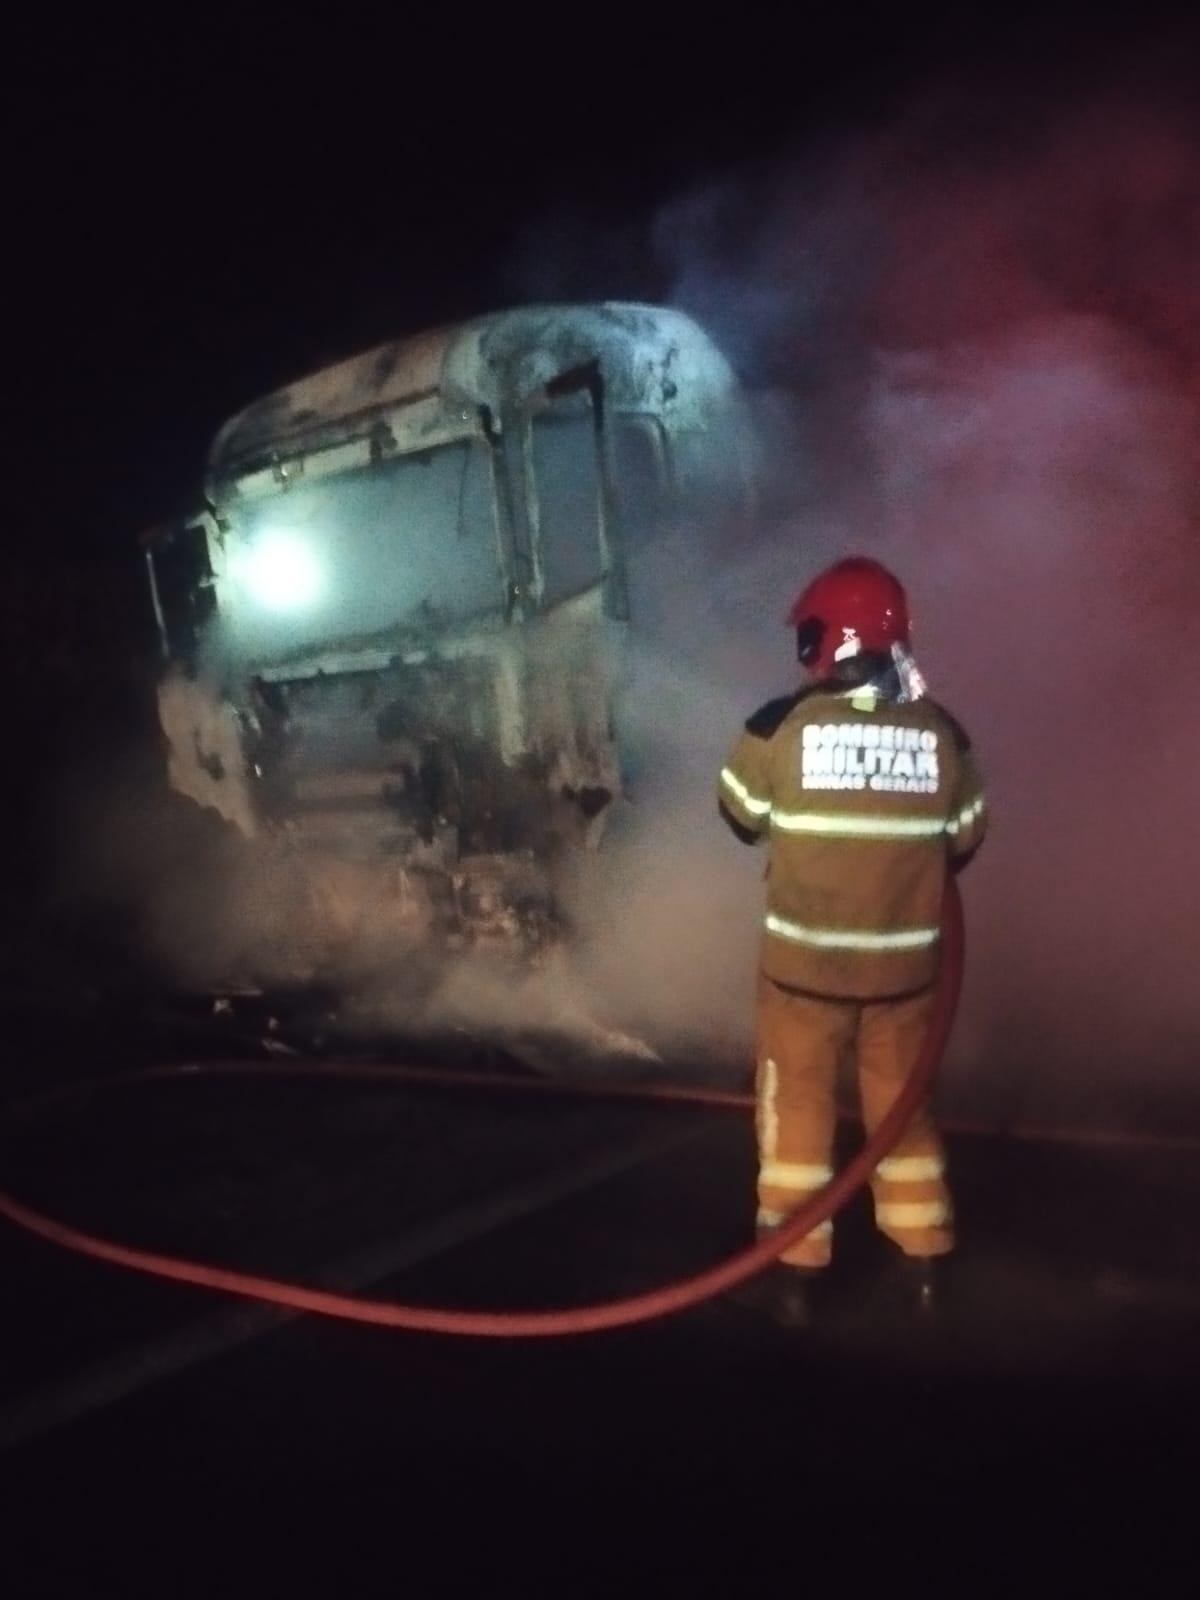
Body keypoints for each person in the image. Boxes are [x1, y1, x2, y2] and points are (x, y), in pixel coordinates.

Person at [718, 557, 986, 1326]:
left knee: (796, 1112)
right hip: (904, 978)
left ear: (830, 639)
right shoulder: (944, 735)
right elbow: (965, 839)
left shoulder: (779, 728)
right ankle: (924, 1260)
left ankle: (795, 1274)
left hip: (803, 975)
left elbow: (738, 816)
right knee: (903, 1113)